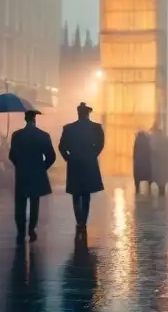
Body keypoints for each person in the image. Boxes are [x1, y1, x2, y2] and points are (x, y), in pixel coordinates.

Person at [8, 109, 56, 244]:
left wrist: (20, 165)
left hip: (22, 173)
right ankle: (31, 229)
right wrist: (42, 168)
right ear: (35, 119)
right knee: (35, 203)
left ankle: (21, 230)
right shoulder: (43, 135)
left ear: (25, 119)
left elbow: (11, 156)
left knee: (20, 203)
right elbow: (51, 157)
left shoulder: (16, 135)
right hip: (36, 173)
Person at [58, 102, 105, 236]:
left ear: (78, 113)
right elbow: (101, 144)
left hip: (74, 163)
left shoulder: (68, 128)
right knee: (86, 193)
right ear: (88, 113)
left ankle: (78, 219)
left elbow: (61, 147)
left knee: (75, 192)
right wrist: (93, 154)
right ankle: (83, 220)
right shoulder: (96, 128)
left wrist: (68, 158)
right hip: (89, 162)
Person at [150, 126, 168, 196]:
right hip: (164, 162)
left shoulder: (156, 140)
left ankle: (161, 191)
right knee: (163, 179)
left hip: (159, 162)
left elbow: (153, 149)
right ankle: (162, 191)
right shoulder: (165, 139)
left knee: (160, 178)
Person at [133, 129, 152, 194]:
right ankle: (149, 190)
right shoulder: (147, 140)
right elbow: (150, 151)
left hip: (138, 162)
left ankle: (137, 190)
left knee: (137, 178)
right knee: (148, 177)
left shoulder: (137, 140)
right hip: (146, 161)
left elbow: (134, 152)